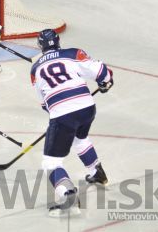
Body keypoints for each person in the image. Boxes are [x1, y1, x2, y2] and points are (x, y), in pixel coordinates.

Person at [31, 29, 114, 216]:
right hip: (87, 107)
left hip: (62, 114)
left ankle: (69, 197)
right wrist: (105, 82)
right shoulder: (72, 53)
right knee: (80, 138)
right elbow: (101, 71)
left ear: (40, 45)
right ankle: (97, 173)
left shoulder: (35, 69)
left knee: (51, 163)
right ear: (58, 41)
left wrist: (58, 117)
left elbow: (45, 103)